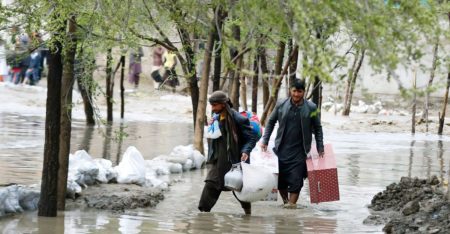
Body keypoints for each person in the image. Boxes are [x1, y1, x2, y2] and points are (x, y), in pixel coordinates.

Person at [261, 79, 324, 209]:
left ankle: (291, 206)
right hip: (281, 149)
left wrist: (320, 147)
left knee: (296, 181)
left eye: (299, 91)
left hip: (300, 151)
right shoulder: (281, 104)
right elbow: (271, 122)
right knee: (281, 182)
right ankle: (286, 204)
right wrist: (265, 140)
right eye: (294, 91)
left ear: (304, 92)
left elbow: (318, 128)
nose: (296, 94)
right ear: (290, 90)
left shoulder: (311, 107)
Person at [198, 91, 258, 215]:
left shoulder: (239, 119)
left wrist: (246, 151)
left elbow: (251, 138)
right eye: (212, 106)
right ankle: (203, 217)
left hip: (235, 161)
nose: (213, 109)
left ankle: (248, 215)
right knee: (211, 185)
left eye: (215, 105)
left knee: (240, 192)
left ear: (223, 104)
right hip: (219, 161)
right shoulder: (216, 118)